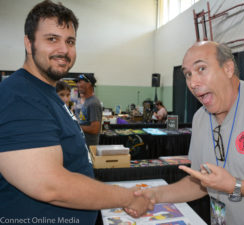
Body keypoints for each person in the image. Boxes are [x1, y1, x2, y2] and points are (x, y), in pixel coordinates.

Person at [0, 1, 152, 224]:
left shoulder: (48, 93)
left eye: (70, 41)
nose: (63, 49)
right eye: (52, 39)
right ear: (28, 42)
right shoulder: (19, 94)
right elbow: (50, 185)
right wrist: (126, 197)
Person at [129, 41, 244, 225]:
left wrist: (238, 186)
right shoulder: (200, 118)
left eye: (201, 68)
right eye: (188, 74)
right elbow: (200, 183)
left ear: (228, 68)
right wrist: (153, 194)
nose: (193, 83)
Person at [75, 73, 102, 147]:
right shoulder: (86, 101)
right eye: (77, 82)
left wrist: (75, 126)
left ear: (89, 84)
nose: (77, 85)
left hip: (89, 146)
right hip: (82, 144)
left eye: (80, 82)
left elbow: (95, 129)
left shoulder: (94, 103)